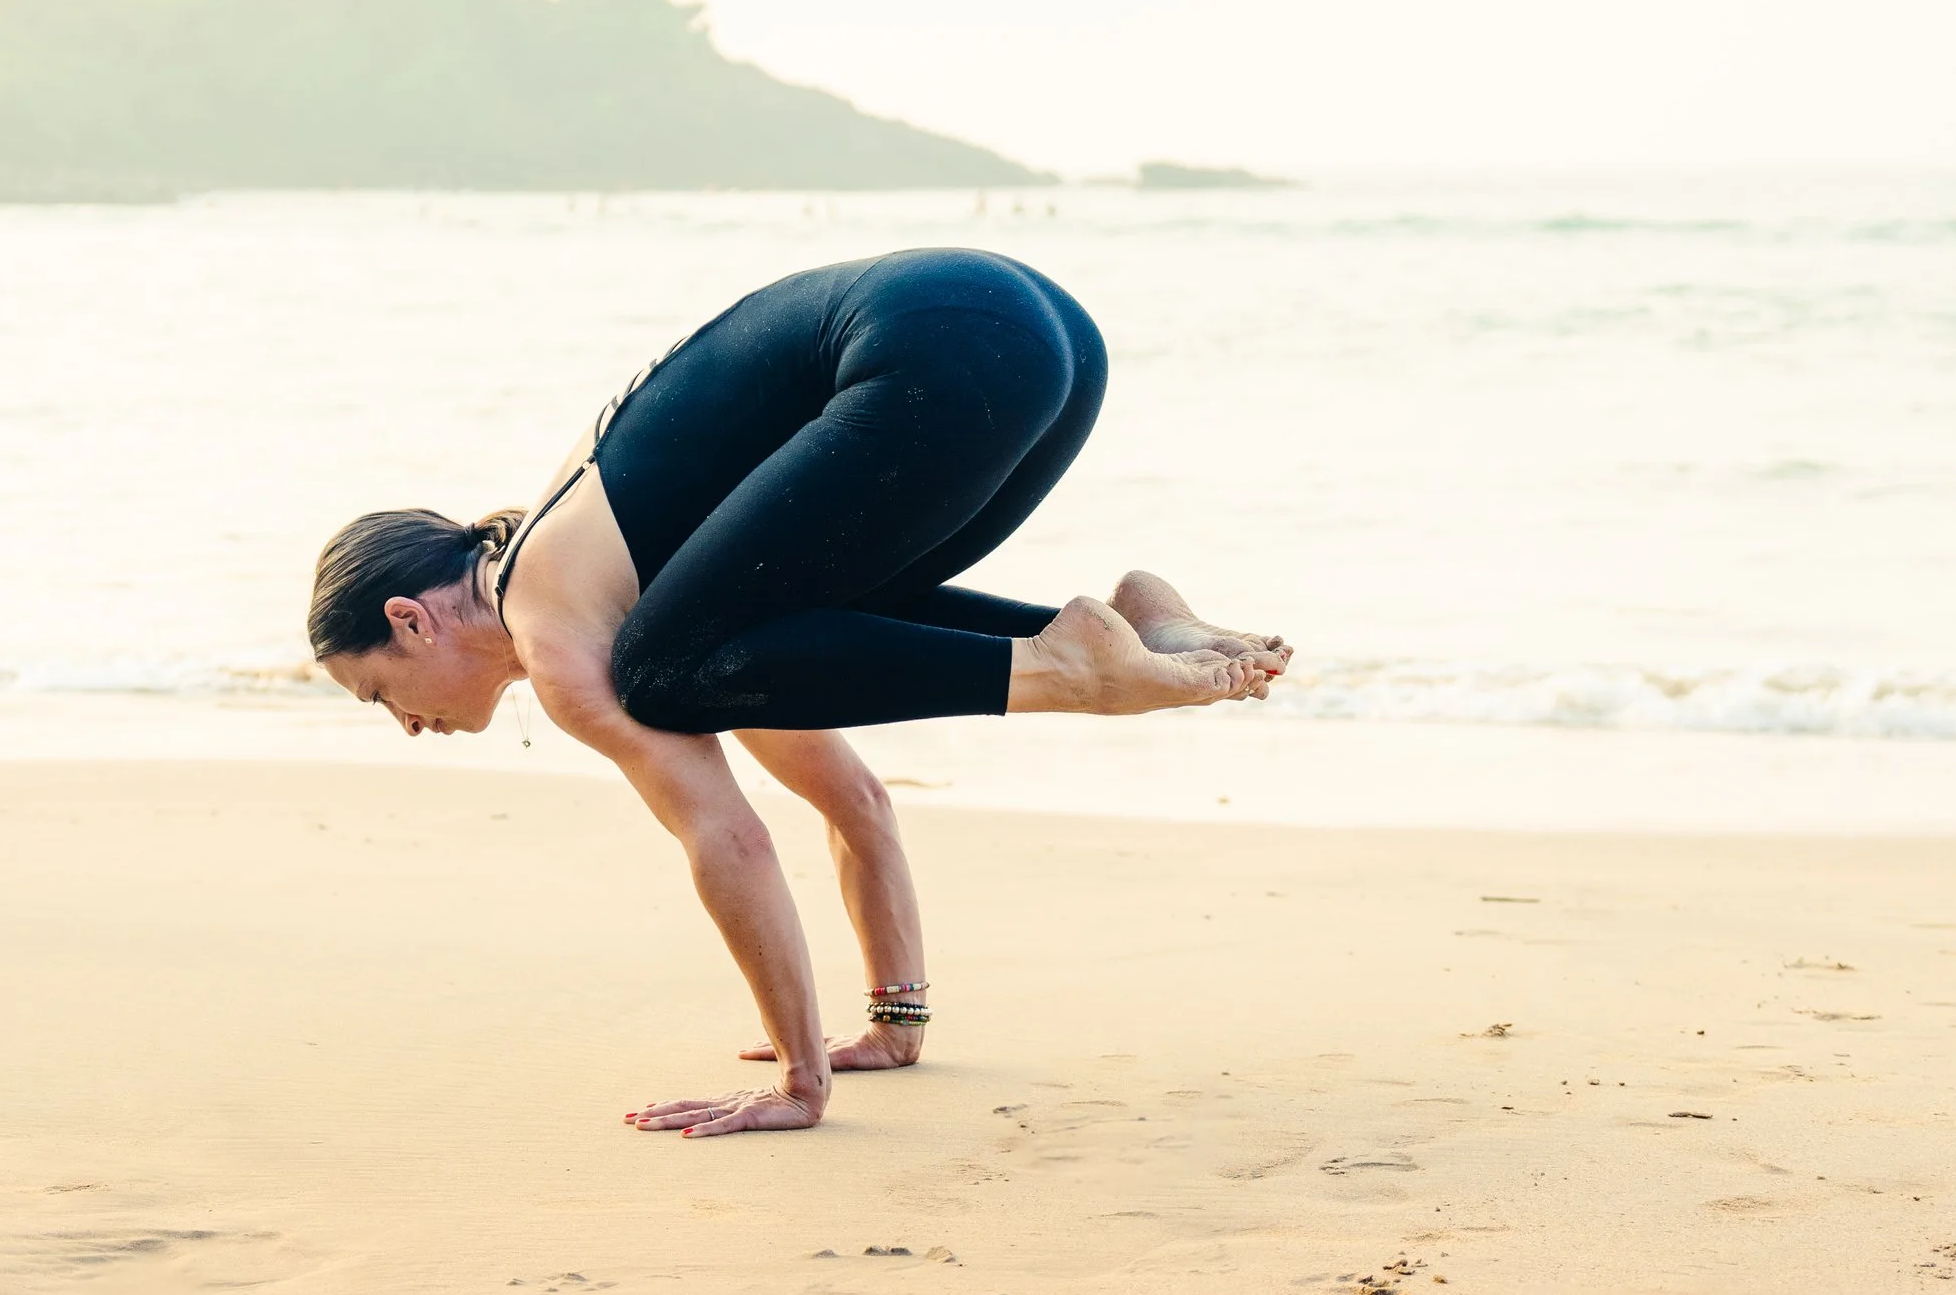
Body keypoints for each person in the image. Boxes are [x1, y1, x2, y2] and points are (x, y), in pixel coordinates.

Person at [307, 248, 1289, 1139]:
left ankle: (1071, 664)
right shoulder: (669, 594)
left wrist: (798, 1081)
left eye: (377, 693)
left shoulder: (558, 631)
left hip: (940, 349)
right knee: (763, 634)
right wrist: (895, 1024)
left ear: (410, 620)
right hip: (1039, 336)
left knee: (661, 675)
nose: (407, 725)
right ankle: (1135, 625)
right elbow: (853, 798)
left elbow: (729, 839)